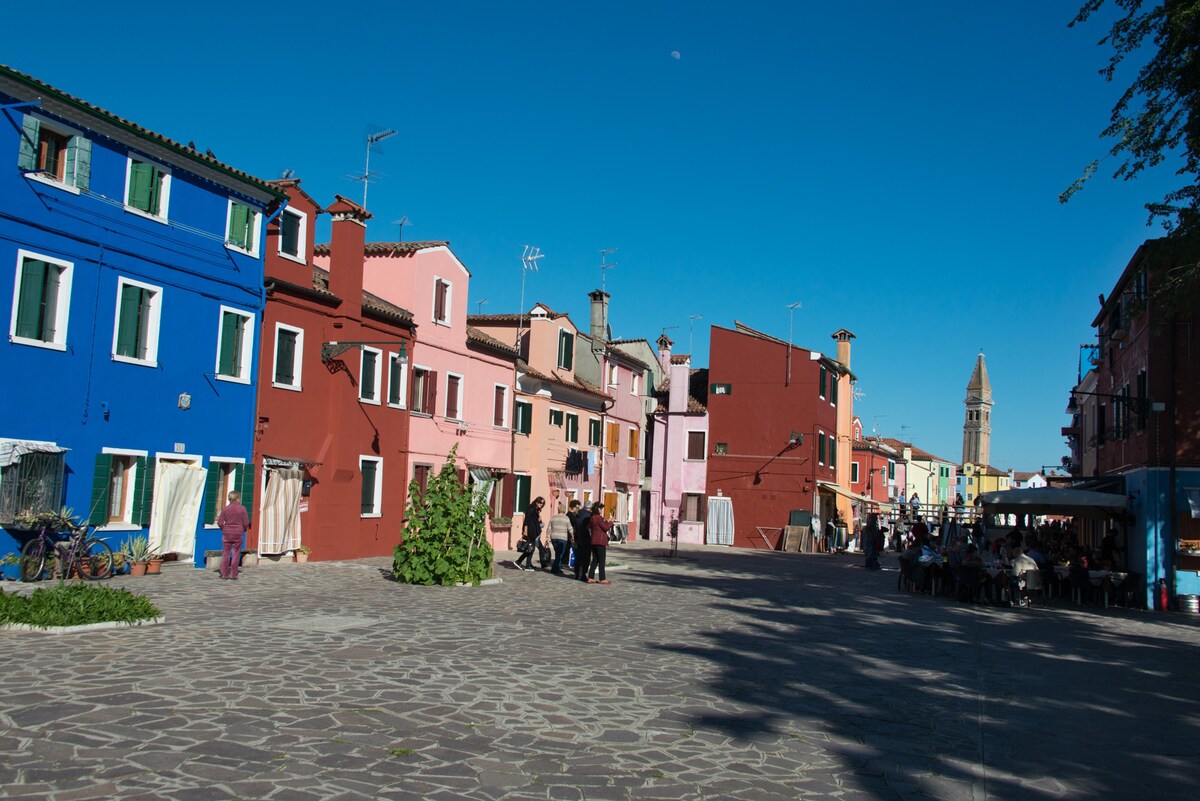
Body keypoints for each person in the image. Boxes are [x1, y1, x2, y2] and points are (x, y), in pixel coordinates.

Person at [217, 490, 250, 581]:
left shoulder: (225, 509)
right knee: (236, 554)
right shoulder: (242, 509)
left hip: (227, 533)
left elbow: (220, 522)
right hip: (238, 533)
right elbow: (246, 523)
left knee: (226, 553)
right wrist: (243, 529)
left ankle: (224, 573)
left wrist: (225, 529)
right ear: (238, 498)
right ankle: (233, 574)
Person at [515, 496, 545, 571]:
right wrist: (525, 530)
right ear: (536, 501)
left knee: (531, 548)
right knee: (530, 548)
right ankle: (520, 562)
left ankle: (528, 564)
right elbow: (527, 520)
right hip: (530, 531)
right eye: (540, 502)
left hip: (534, 531)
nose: (541, 504)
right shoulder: (531, 508)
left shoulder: (535, 509)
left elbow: (535, 520)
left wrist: (539, 519)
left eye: (543, 503)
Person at [587, 502, 613, 584]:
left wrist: (607, 521)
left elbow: (596, 527)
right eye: (601, 508)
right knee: (601, 560)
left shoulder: (592, 517)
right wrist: (611, 522)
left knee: (595, 560)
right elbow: (605, 528)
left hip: (593, 541)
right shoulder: (598, 517)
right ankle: (602, 578)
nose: (602, 510)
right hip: (600, 541)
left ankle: (591, 577)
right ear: (598, 509)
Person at [547, 502, 572, 575]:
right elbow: (570, 528)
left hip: (554, 537)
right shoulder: (566, 518)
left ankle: (558, 568)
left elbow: (549, 528)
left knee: (557, 553)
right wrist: (572, 536)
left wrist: (547, 536)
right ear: (564, 510)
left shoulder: (553, 517)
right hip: (562, 537)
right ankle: (555, 569)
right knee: (559, 554)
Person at [572, 501, 593, 581]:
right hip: (586, 538)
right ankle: (582, 574)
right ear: (590, 508)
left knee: (578, 556)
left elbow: (575, 526)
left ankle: (577, 574)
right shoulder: (588, 516)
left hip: (578, 537)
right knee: (585, 557)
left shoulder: (578, 514)